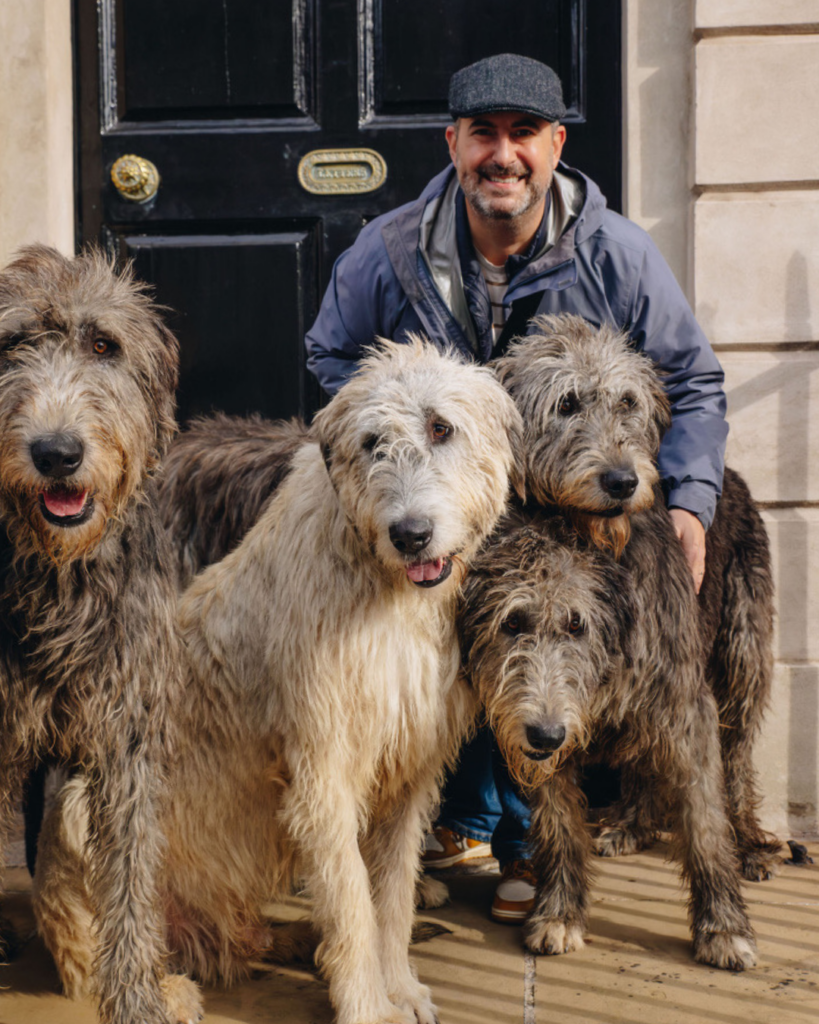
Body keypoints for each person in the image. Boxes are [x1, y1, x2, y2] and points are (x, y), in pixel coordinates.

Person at [304, 52, 727, 923]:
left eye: (523, 134)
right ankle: (457, 817)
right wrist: (411, 413)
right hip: (452, 493)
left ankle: (525, 840)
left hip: (576, 510)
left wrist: (687, 498)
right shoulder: (387, 251)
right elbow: (329, 355)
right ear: (452, 143)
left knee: (544, 648)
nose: (504, 155)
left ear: (555, 145)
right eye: (484, 134)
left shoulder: (618, 253)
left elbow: (690, 381)